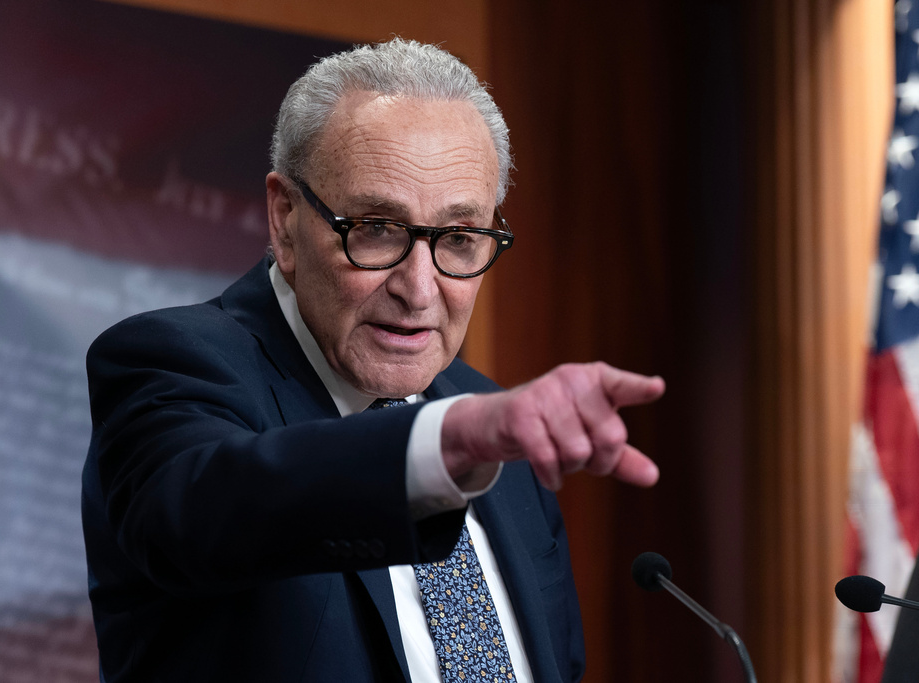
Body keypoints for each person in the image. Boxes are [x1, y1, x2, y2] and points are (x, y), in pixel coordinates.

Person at [81, 38, 665, 683]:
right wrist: (447, 443)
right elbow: (200, 511)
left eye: (460, 239)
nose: (419, 289)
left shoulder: (498, 441)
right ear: (284, 219)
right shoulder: (172, 364)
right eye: (378, 229)